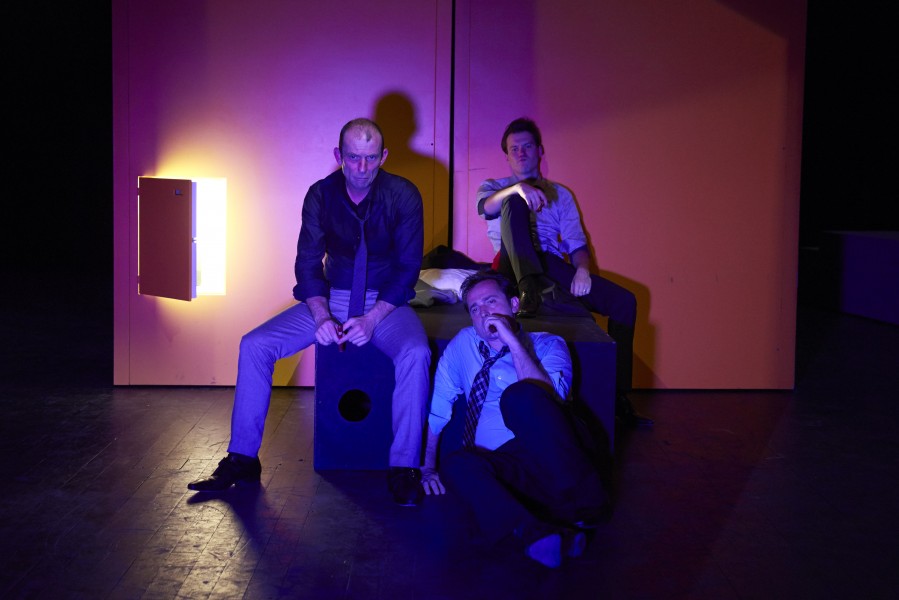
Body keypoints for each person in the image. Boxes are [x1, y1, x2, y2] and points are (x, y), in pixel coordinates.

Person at [187, 118, 431, 506]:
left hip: (385, 303)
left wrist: (371, 319)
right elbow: (307, 263)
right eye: (353, 157)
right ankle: (242, 459)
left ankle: (404, 468)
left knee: (416, 353)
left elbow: (407, 269)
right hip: (330, 297)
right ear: (339, 155)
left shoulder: (404, 195)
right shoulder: (320, 194)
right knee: (255, 345)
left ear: (384, 156)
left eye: (371, 158)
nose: (362, 168)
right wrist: (320, 316)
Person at [421, 270, 608, 568]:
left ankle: (583, 511)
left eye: (491, 301)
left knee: (520, 396)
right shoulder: (462, 345)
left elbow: (551, 402)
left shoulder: (549, 344)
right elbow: (438, 410)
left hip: (556, 459)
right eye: (474, 309)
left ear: (514, 304)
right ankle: (536, 532)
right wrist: (428, 466)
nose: (484, 313)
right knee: (456, 463)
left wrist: (511, 340)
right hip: (512, 470)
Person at [477, 117, 651, 427]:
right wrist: (517, 188)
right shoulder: (495, 188)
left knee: (624, 302)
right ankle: (528, 287)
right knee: (513, 202)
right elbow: (485, 208)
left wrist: (582, 270)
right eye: (514, 148)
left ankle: (619, 398)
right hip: (509, 265)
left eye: (527, 146)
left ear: (539, 150)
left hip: (550, 265)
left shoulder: (561, 194)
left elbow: (576, 244)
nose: (521, 153)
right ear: (507, 156)